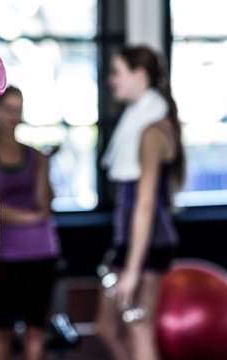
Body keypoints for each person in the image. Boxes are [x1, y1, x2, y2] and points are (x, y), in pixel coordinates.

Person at [96, 45, 185, 360]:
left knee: (138, 329)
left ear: (140, 75)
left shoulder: (151, 131)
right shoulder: (139, 123)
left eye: (117, 72)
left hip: (148, 245)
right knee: (106, 328)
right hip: (130, 242)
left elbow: (145, 205)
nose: (111, 80)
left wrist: (132, 270)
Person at [0, 86, 61, 360]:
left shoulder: (34, 156)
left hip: (41, 251)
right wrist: (30, 218)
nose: (13, 116)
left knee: (35, 331)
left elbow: (45, 205)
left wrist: (44, 166)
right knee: (3, 330)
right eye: (8, 109)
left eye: (18, 111)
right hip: (3, 253)